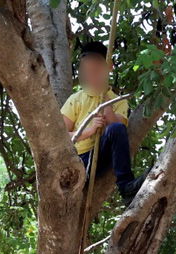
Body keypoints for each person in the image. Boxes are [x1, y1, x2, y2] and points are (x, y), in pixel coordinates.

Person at [61, 40, 144, 206]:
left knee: (117, 128)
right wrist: (90, 131)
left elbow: (118, 130)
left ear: (107, 69)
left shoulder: (118, 101)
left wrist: (106, 104)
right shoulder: (76, 99)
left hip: (101, 155)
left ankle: (126, 186)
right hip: (78, 161)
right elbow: (60, 137)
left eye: (97, 70)